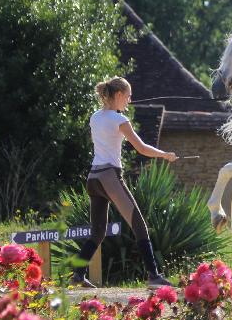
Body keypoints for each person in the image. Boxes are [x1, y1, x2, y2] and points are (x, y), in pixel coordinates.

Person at [71, 76, 178, 288]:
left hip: (93, 178)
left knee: (98, 232)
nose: (129, 100)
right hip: (110, 176)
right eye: (128, 96)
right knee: (139, 223)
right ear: (118, 95)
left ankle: (78, 274)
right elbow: (142, 148)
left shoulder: (95, 117)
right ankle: (154, 276)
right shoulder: (119, 120)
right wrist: (165, 154)